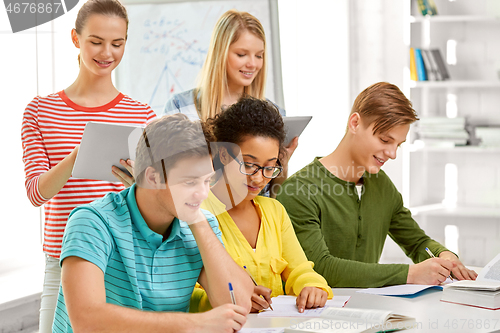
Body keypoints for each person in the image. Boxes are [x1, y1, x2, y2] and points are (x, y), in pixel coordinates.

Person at [21, 0, 156, 331]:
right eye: (96, 41)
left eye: (117, 43)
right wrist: (79, 154)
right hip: (64, 261)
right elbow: (36, 193)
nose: (106, 52)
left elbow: (161, 199)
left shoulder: (143, 116)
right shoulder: (40, 111)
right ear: (75, 39)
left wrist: (137, 186)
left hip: (126, 261)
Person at [52, 114, 253, 332]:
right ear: (153, 177)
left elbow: (238, 305)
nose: (203, 194)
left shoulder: (200, 225)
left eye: (207, 181)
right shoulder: (92, 221)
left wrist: (198, 222)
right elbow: (86, 320)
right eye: (190, 181)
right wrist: (196, 323)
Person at [276, 82, 478, 288]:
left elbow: (417, 243)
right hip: (312, 315)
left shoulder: (382, 186)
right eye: (384, 140)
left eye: (398, 145)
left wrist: (444, 255)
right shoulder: (298, 190)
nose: (392, 154)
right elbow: (319, 268)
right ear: (355, 123)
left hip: (370, 312)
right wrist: (409, 274)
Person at [191, 96, 332, 314]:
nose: (259, 179)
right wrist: (227, 298)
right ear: (223, 155)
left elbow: (300, 269)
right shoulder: (195, 212)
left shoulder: (274, 211)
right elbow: (186, 291)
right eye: (249, 165)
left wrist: (311, 286)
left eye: (269, 167)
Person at [160, 9, 298, 197]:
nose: (253, 64)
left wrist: (282, 165)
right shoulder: (181, 107)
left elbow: (273, 197)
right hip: (198, 217)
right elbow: (173, 180)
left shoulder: (275, 115)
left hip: (251, 220)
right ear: (220, 54)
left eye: (259, 55)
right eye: (242, 54)